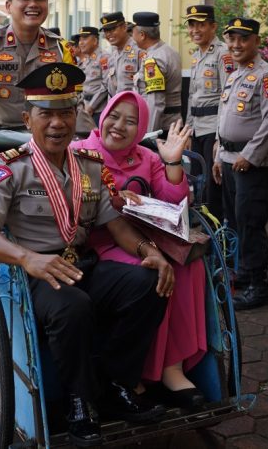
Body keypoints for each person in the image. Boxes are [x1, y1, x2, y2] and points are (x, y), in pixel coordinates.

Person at [0, 62, 172, 446]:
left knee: (148, 284)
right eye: (47, 114)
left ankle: (117, 384)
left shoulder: (90, 169)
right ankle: (80, 400)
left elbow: (117, 226)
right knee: (71, 306)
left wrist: (150, 251)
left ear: (76, 116)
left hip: (83, 266)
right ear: (28, 119)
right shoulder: (9, 168)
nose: (57, 123)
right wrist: (28, 259)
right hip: (36, 272)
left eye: (65, 113)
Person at [72, 91, 206, 409]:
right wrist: (111, 197)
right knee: (153, 272)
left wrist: (172, 160)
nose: (119, 126)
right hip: (101, 243)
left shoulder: (146, 158)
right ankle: (139, 370)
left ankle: (171, 367)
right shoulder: (78, 152)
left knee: (190, 265)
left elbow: (174, 200)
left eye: (131, 121)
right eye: (114, 117)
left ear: (141, 127)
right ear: (102, 117)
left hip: (147, 238)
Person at [212, 17, 268, 311]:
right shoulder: (234, 74)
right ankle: (243, 272)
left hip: (251, 164)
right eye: (231, 39)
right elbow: (223, 118)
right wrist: (219, 156)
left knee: (251, 223)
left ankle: (259, 285)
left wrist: (250, 156)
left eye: (243, 39)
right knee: (235, 219)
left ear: (256, 42)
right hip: (230, 160)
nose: (236, 45)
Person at [185, 4, 232, 222]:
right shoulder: (196, 56)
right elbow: (192, 97)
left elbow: (227, 96)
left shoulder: (223, 54)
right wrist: (187, 130)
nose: (195, 29)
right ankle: (204, 225)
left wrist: (219, 138)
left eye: (201, 25)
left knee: (213, 187)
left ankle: (216, 234)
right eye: (192, 25)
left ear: (213, 26)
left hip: (213, 127)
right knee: (198, 182)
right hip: (197, 128)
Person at [132, 12, 183, 135]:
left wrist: (148, 136)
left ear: (142, 35)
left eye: (133, 32)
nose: (132, 37)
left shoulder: (155, 59)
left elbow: (155, 102)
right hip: (170, 126)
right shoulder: (168, 51)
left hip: (160, 129)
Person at [100, 11, 142, 97]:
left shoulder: (139, 51)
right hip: (116, 107)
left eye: (112, 29)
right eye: (106, 31)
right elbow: (110, 88)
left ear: (124, 27)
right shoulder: (112, 56)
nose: (108, 34)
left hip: (133, 107)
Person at [77, 26, 109, 134]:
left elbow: (105, 85)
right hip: (85, 107)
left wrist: (92, 106)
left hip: (98, 109)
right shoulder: (86, 60)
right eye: (80, 39)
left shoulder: (104, 57)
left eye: (85, 39)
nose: (81, 43)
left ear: (95, 40)